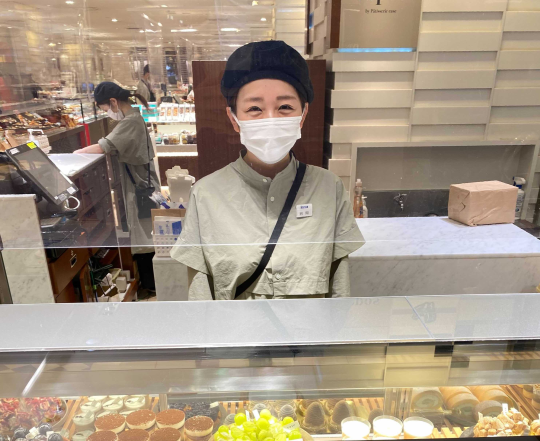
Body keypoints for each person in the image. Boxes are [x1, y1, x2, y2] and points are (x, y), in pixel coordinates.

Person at [171, 41, 364, 300]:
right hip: (236, 328)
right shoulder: (205, 194)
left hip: (309, 327)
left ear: (303, 114)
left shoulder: (329, 188)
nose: (270, 119)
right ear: (233, 119)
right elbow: (200, 298)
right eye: (254, 109)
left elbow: (339, 289)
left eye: (285, 107)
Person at [74, 82, 160, 296]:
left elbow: (103, 146)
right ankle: (150, 283)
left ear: (113, 102)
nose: (108, 113)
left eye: (105, 109)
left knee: (144, 238)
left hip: (139, 188)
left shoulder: (130, 121)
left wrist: (74, 154)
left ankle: (151, 285)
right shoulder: (134, 118)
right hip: (142, 185)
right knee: (144, 234)